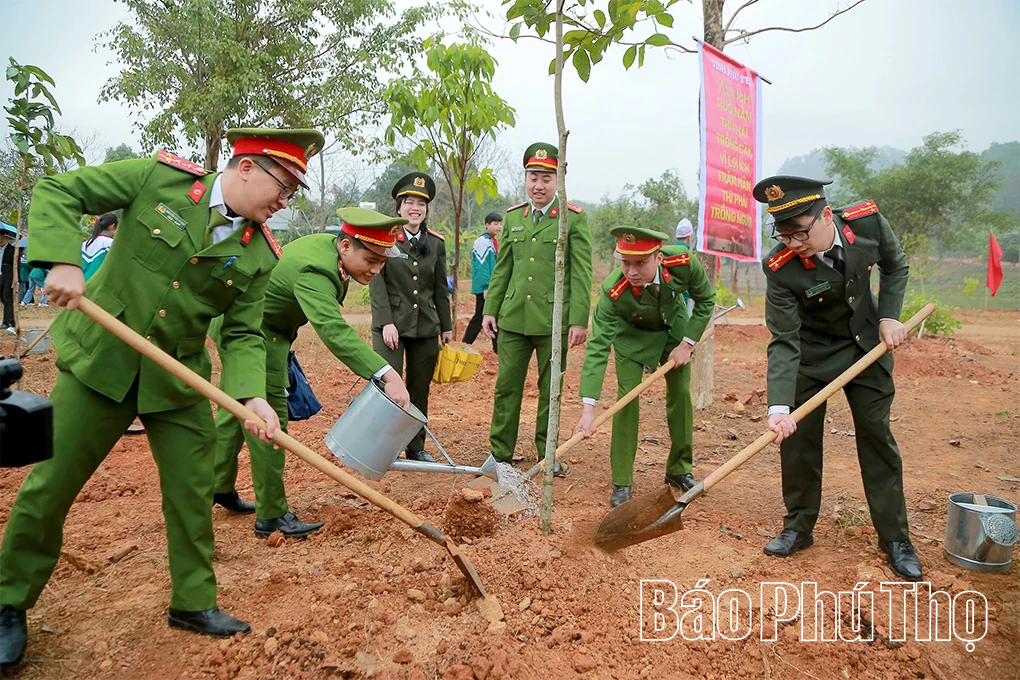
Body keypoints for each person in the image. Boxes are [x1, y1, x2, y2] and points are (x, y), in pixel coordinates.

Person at [0, 127, 317, 669]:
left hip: (177, 377)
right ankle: (8, 601)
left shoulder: (260, 253)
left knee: (192, 490)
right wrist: (63, 261)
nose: (284, 202)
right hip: (101, 362)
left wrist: (251, 396)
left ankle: (193, 601)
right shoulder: (160, 180)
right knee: (51, 486)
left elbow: (243, 333)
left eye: (291, 193)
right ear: (246, 168)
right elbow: (59, 189)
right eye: (282, 187)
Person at [753, 175, 921, 581]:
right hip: (811, 356)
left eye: (799, 233)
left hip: (866, 346)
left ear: (826, 214)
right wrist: (779, 407)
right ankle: (798, 526)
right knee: (798, 442)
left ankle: (895, 538)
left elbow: (895, 265)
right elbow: (784, 338)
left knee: (876, 436)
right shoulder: (779, 267)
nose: (792, 243)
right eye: (783, 234)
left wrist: (889, 317)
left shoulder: (867, 223)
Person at [211, 205, 412, 537]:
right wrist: (387, 373)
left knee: (237, 408)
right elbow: (333, 330)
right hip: (254, 334)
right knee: (269, 419)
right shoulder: (317, 269)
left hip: (254, 326)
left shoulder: (328, 250)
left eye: (382, 262)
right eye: (371, 260)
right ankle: (272, 515)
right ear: (345, 246)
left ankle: (217, 485)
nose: (377, 269)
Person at [574, 227, 715, 506]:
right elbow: (598, 347)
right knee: (626, 399)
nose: (632, 271)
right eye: (625, 263)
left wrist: (687, 344)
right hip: (632, 339)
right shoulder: (613, 291)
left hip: (674, 331)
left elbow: (706, 299)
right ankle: (622, 481)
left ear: (659, 258)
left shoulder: (682, 263)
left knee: (680, 396)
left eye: (641, 263)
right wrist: (588, 409)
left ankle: (679, 469)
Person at [481, 143, 593, 471]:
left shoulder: (572, 219)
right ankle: (500, 454)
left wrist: (578, 320)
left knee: (551, 391)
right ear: (526, 179)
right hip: (513, 318)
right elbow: (503, 267)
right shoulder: (514, 216)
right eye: (533, 177)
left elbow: (581, 273)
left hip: (553, 321)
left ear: (558, 180)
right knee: (506, 388)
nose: (539, 185)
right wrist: (490, 310)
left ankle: (547, 453)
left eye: (546, 178)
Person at [369, 172, 452, 463]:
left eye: (421, 204)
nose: (415, 209)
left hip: (426, 326)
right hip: (391, 326)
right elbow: (376, 281)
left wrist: (446, 326)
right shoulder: (386, 237)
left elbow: (440, 288)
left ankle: (415, 447)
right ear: (399, 207)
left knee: (419, 389)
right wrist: (385, 321)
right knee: (387, 386)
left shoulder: (436, 243)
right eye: (409, 203)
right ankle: (381, 446)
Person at [462, 211, 502, 351]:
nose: (499, 227)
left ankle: (497, 348)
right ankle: (465, 344)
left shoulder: (491, 241)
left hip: (490, 285)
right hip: (485, 287)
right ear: (487, 225)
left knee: (492, 315)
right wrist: (486, 286)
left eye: (500, 224)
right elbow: (482, 265)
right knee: (480, 315)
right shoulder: (483, 242)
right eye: (495, 224)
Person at [82, 212, 119, 280]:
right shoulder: (111, 244)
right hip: (97, 284)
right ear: (112, 226)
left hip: (80, 284)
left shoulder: (84, 244)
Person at [0, 223, 16, 333]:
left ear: (6, 238)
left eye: (1, 237)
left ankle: (7, 321)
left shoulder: (13, 250)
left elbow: (16, 266)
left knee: (8, 299)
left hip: (8, 278)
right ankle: (11, 318)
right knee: (3, 299)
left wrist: (15, 280)